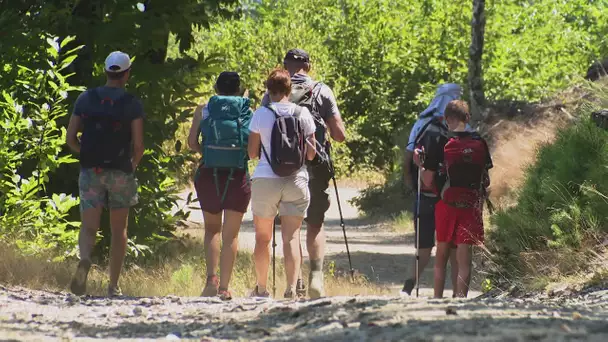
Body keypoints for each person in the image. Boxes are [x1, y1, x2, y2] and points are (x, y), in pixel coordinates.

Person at [262, 49, 346, 298]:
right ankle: (316, 278)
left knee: (292, 225)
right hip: (315, 167)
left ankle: (294, 281)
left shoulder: (272, 95)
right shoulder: (323, 90)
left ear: (285, 66)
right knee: (315, 224)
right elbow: (339, 135)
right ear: (308, 66)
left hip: (283, 169)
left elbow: (263, 129)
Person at [66, 51, 145, 297]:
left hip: (91, 170)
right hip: (121, 171)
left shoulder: (86, 99)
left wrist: (86, 156)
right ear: (127, 74)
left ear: (105, 72)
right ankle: (113, 286)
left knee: (89, 227)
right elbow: (139, 145)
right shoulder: (132, 103)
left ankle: (86, 258)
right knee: (118, 231)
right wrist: (131, 165)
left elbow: (70, 138)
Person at [248, 68, 317, 298]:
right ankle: (290, 289)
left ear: (268, 90)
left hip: (266, 180)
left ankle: (262, 288)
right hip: (296, 180)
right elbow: (311, 155)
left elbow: (252, 153)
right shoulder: (302, 113)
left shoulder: (261, 114)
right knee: (291, 237)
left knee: (262, 238)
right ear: (290, 90)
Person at [187, 71, 252, 301]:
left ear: (216, 88)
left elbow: (192, 142)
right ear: (238, 89)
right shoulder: (246, 112)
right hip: (237, 176)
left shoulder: (203, 110)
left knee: (212, 230)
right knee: (231, 235)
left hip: (209, 175)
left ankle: (211, 281)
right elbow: (252, 148)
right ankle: (225, 287)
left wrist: (207, 153)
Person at [420, 100, 492, 298]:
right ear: (467, 118)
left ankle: (437, 298)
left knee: (442, 255)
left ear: (445, 119)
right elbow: (486, 181)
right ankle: (461, 299)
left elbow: (427, 181)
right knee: (464, 259)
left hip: (446, 205)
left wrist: (421, 164)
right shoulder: (479, 142)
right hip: (471, 206)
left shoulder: (439, 142)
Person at [401, 84, 463, 296]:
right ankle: (457, 294)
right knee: (453, 249)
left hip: (425, 193)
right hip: (453, 197)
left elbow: (409, 154)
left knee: (424, 247)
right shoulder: (465, 128)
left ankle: (408, 288)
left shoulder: (422, 123)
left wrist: (410, 181)